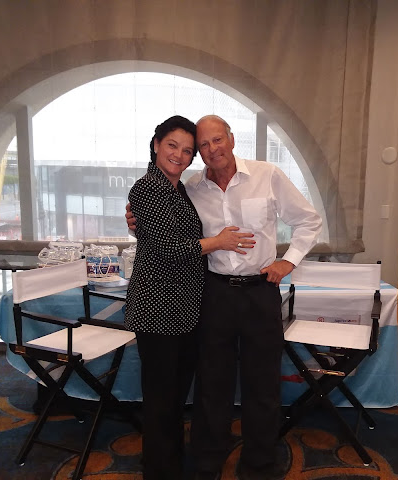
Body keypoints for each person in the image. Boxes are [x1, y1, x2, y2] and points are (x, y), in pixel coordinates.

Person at [126, 115, 322, 480]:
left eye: (217, 140)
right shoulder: (192, 186)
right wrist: (135, 221)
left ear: (231, 139)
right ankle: (206, 463)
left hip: (260, 292)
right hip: (213, 293)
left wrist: (288, 261)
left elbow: (308, 220)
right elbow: (165, 228)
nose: (211, 149)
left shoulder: (267, 175)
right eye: (202, 145)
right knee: (212, 386)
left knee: (262, 385)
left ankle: (259, 466)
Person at [124, 115, 254, 480]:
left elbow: (160, 233)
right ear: (156, 145)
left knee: (174, 397)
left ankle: (168, 464)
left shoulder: (180, 188)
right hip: (157, 309)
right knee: (161, 400)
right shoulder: (148, 188)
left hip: (183, 309)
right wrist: (219, 242)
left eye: (187, 150)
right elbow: (169, 248)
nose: (179, 155)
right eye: (172, 146)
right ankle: (159, 470)